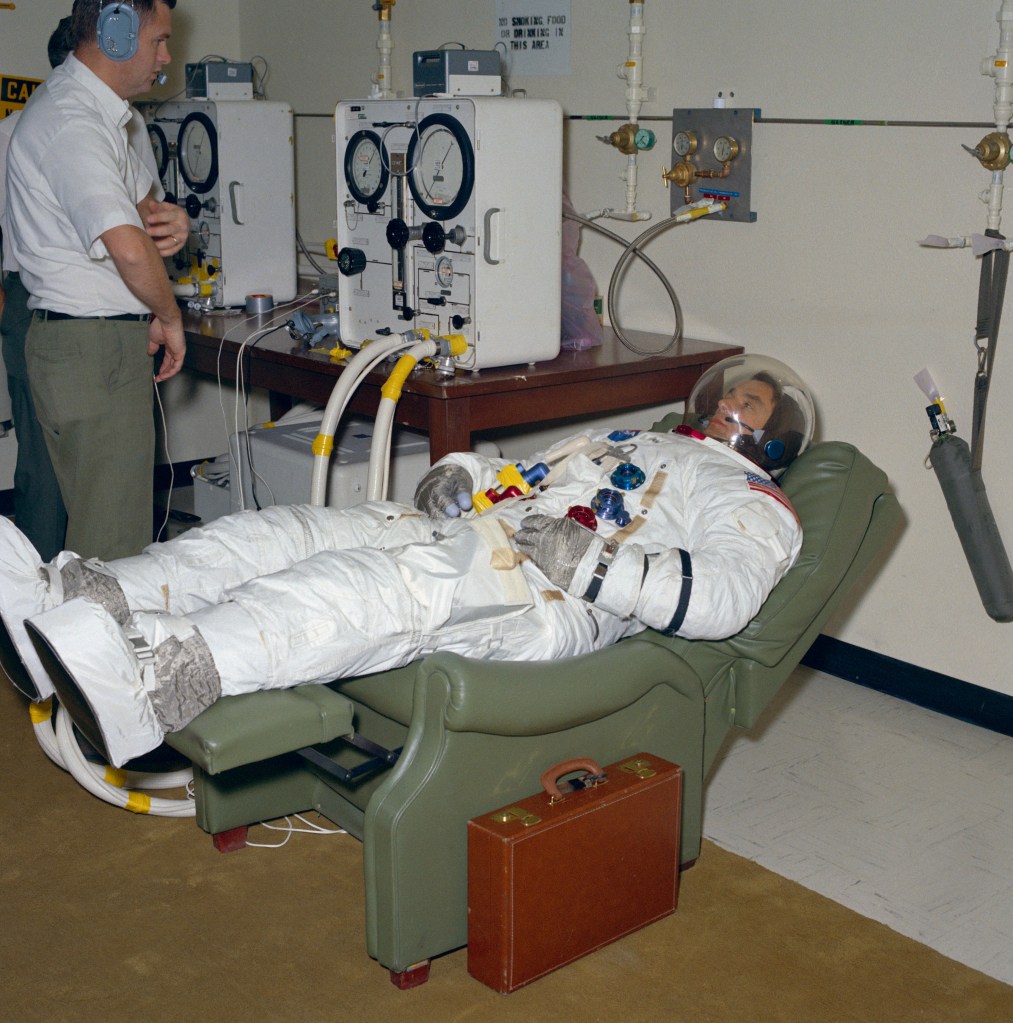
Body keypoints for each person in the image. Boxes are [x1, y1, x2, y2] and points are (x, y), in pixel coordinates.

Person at [0, 354, 816, 768]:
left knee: (354, 590)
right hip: (485, 538)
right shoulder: (633, 440)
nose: (721, 404)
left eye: (745, 403)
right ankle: (79, 595)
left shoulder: (751, 501)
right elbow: (520, 475)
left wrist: (592, 566)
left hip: (545, 596)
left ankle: (151, 685)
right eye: (724, 392)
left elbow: (724, 598)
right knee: (278, 533)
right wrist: (456, 479)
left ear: (773, 441)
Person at [4, 0, 188, 562]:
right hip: (91, 348)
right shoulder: (72, 121)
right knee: (112, 554)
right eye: (158, 40)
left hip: (97, 341)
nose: (166, 56)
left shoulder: (103, 114)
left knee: (99, 539)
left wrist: (174, 221)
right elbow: (130, 250)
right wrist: (171, 316)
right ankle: (88, 649)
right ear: (114, 33)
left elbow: (143, 213)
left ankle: (66, 644)